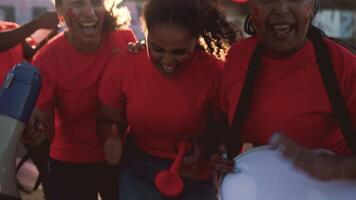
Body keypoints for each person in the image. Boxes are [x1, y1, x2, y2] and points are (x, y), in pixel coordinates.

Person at [97, 0, 236, 199]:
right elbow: (108, 120)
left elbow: (224, 132)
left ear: (195, 41)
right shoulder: (123, 66)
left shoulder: (213, 73)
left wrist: (205, 150)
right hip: (138, 171)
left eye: (180, 51)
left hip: (197, 176)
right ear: (145, 33)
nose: (168, 61)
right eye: (157, 49)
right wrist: (111, 136)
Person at [211, 0, 356, 181]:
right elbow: (224, 132)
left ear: (311, 6)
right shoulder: (238, 58)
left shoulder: (344, 67)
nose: (281, 9)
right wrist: (221, 158)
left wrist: (337, 168)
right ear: (252, 8)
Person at [24, 0, 137, 199]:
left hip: (122, 156)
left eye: (96, 3)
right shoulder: (46, 59)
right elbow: (45, 129)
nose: (89, 13)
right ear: (59, 11)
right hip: (70, 161)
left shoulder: (126, 40)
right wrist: (35, 132)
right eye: (77, 4)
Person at [0, 11, 58, 84]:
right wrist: (38, 23)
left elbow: (29, 53)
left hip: (15, 91)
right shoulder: (15, 33)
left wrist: (49, 37)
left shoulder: (12, 27)